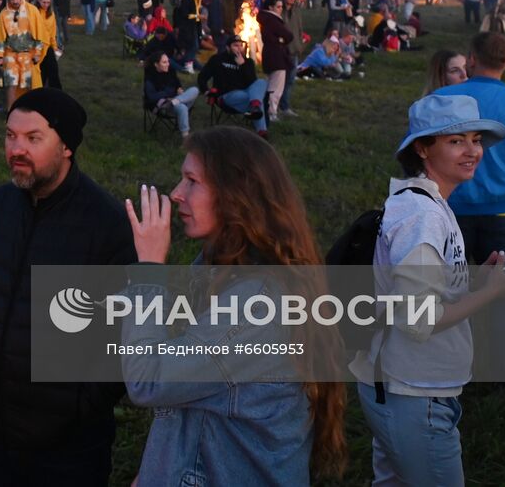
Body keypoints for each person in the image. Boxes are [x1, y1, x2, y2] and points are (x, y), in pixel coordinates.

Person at [121, 128, 347, 484]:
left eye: (192, 181)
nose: (177, 194)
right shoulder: (218, 266)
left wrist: (149, 270)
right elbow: (189, 396)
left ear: (236, 194)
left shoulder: (255, 303)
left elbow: (151, 381)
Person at [0, 89, 136, 486]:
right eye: (11, 136)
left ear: (66, 146)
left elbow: (122, 337)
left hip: (66, 449)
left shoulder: (105, 224)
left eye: (33, 139)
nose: (17, 149)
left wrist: (79, 408)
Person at [352, 93, 505, 486]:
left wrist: (476, 281)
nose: (472, 151)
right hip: (413, 393)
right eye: (455, 141)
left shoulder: (429, 202)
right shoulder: (422, 217)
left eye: (476, 139)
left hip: (401, 387)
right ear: (422, 148)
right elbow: (419, 322)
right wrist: (493, 292)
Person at [434, 32, 505, 379]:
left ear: (471, 59)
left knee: (447, 291)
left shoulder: (442, 98)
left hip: (451, 209)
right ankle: (502, 373)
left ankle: (443, 367)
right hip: (504, 213)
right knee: (503, 291)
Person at [197, 34, 270, 136]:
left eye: (241, 45)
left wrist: (243, 65)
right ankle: (261, 130)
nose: (239, 48)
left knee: (262, 82)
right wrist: (206, 91)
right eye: (235, 45)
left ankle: (255, 109)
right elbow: (202, 77)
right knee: (256, 99)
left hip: (247, 93)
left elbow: (252, 82)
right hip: (227, 95)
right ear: (228, 47)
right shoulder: (218, 59)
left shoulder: (248, 62)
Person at [0, 0, 45, 108]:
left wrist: (37, 53)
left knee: (28, 84)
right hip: (10, 54)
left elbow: (39, 34)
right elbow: (1, 37)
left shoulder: (32, 11)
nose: (15, 1)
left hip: (27, 54)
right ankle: (11, 112)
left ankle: (29, 111)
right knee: (11, 84)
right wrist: (0, 56)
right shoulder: (4, 14)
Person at [143, 49, 199, 139]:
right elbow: (151, 97)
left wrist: (179, 89)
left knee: (195, 90)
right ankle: (186, 137)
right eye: (164, 62)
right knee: (182, 107)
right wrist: (168, 94)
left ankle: (176, 101)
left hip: (175, 100)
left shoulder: (171, 71)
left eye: (168, 61)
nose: (168, 64)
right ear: (156, 64)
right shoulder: (150, 77)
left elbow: (177, 85)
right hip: (162, 106)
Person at [258, 0, 294, 121]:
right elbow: (288, 35)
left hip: (270, 55)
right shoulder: (273, 20)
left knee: (270, 85)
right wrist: (281, 40)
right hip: (277, 57)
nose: (281, 9)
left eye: (281, 7)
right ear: (270, 7)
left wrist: (280, 39)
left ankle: (267, 110)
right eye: (278, 7)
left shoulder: (265, 19)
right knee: (275, 88)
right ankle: (271, 112)